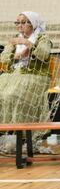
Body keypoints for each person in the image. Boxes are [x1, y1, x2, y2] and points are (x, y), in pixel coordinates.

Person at [0, 12, 52, 152]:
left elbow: (44, 54)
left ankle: (22, 136)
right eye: (17, 23)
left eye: (23, 22)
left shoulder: (42, 38)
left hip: (35, 75)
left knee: (13, 94)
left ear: (33, 24)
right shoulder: (16, 39)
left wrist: (28, 44)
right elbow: (4, 58)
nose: (19, 26)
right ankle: (5, 133)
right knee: (3, 94)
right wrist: (15, 55)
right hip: (14, 75)